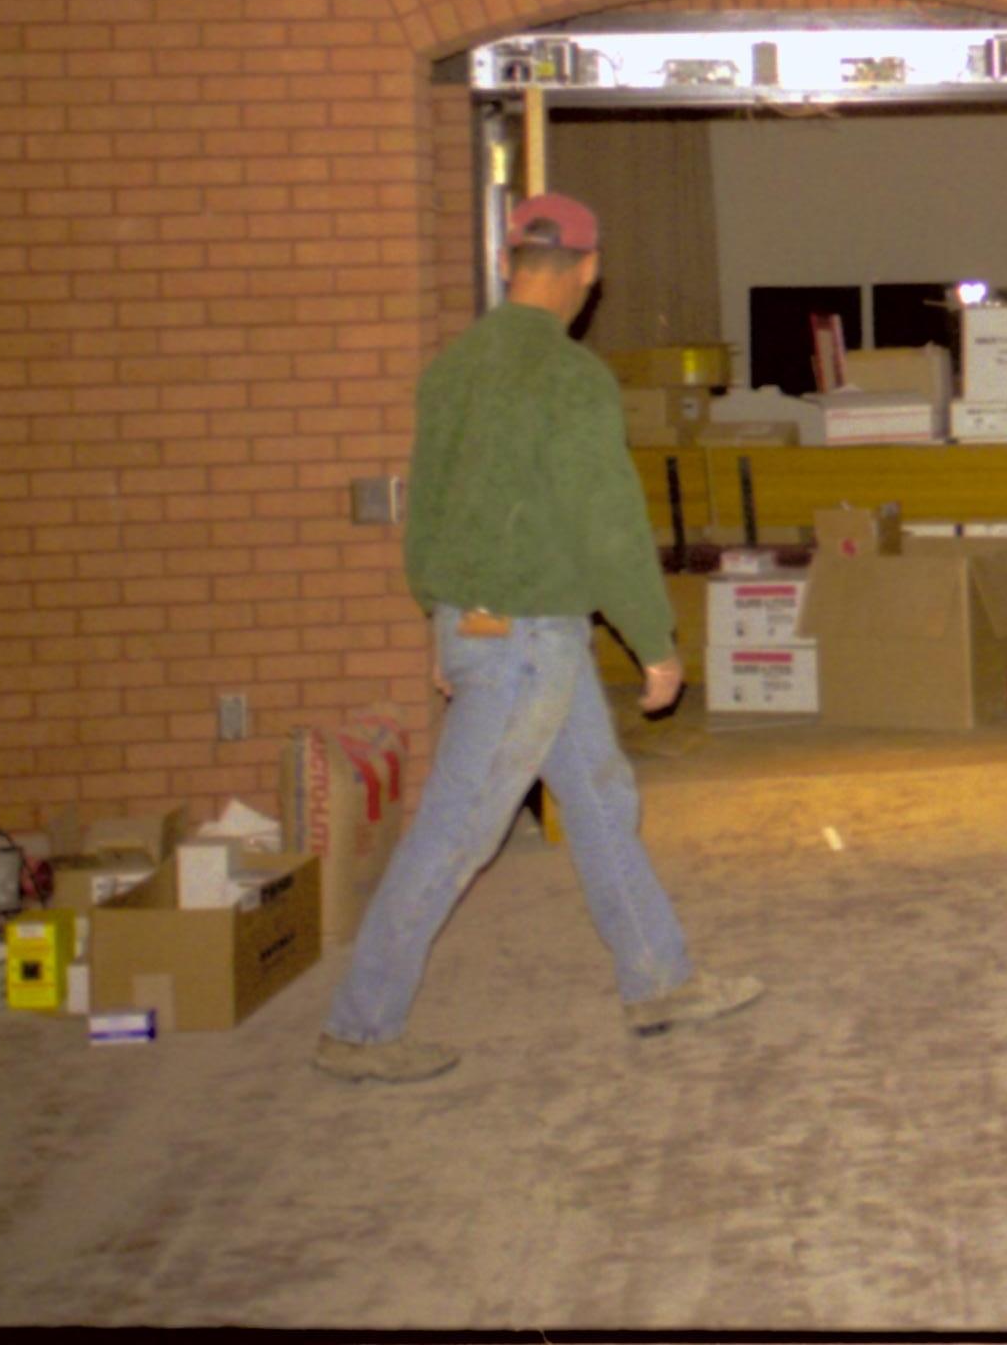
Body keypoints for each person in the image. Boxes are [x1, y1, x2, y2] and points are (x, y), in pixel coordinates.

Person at [314, 192, 761, 1083]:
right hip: (529, 642)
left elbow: (427, 516)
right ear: (589, 273)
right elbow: (608, 524)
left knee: (597, 797)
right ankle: (362, 1028)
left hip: (486, 628)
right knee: (456, 830)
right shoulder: (568, 378)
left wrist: (445, 624)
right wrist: (656, 641)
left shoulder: (452, 370)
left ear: (511, 262)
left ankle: (659, 979)